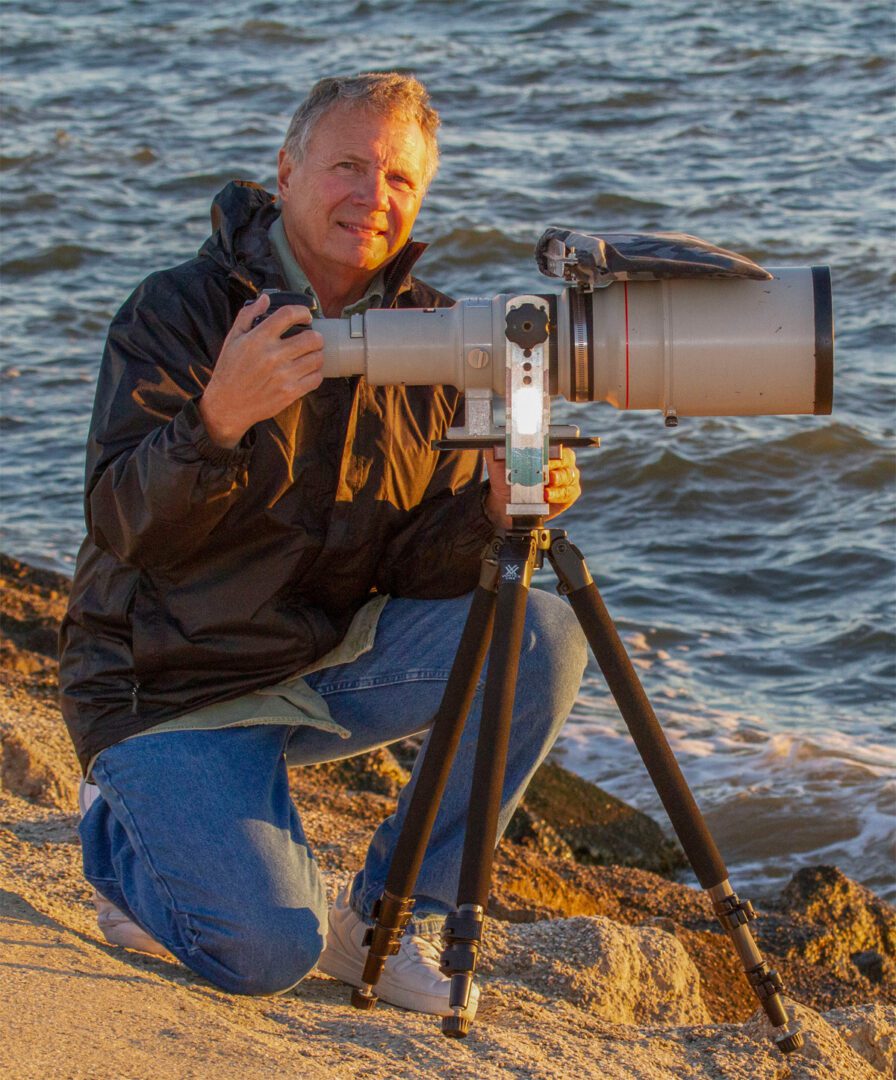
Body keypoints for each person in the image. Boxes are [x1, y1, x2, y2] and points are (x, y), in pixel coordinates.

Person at [59, 72, 587, 1018]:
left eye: (399, 181)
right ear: (288, 169)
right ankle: (122, 834)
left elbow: (417, 568)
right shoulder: (175, 311)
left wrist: (496, 513)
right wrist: (216, 421)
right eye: (349, 165)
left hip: (321, 665)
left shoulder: (430, 335)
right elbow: (119, 519)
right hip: (164, 687)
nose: (371, 198)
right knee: (263, 955)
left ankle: (385, 919)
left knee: (538, 629)